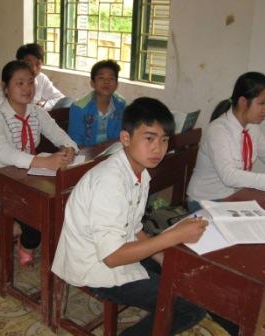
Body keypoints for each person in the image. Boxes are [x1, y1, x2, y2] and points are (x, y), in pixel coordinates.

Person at [52, 97, 208, 335]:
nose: (158, 148)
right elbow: (112, 258)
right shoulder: (110, 181)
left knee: (185, 275)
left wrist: (160, 257)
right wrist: (173, 237)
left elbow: (134, 228)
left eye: (164, 140)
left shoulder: (140, 173)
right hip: (95, 267)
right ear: (126, 138)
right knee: (190, 307)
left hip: (119, 248)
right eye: (149, 138)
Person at [0, 60, 78, 266]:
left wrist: (69, 149)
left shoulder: (36, 112)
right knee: (38, 218)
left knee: (57, 205)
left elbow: (59, 135)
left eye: (30, 82)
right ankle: (24, 241)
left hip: (27, 178)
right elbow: (4, 152)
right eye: (20, 83)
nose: (27, 88)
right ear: (5, 87)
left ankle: (18, 230)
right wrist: (44, 162)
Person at [187, 72, 265, 210]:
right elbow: (229, 176)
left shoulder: (252, 127)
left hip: (232, 196)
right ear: (243, 102)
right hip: (206, 201)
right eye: (262, 103)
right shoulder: (218, 130)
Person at [0, 43, 72, 110]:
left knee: (69, 101)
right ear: (19, 63)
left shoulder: (41, 78)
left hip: (35, 118)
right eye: (28, 64)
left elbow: (60, 98)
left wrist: (43, 105)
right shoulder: (8, 77)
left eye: (38, 64)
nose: (34, 68)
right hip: (14, 119)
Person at [67, 60, 126, 148]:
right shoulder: (79, 108)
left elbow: (123, 136)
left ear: (117, 84)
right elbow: (76, 143)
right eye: (101, 78)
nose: (106, 82)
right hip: (87, 156)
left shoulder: (121, 105)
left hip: (114, 154)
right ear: (92, 83)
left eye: (111, 78)